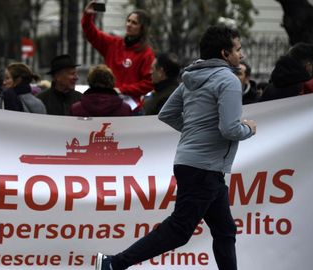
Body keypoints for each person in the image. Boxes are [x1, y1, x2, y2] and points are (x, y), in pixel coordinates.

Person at [95, 25, 257, 270]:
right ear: (225, 54)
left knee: (225, 230)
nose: (242, 55)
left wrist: (195, 133)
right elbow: (230, 129)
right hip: (205, 167)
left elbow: (167, 114)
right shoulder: (229, 81)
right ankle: (114, 264)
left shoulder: (189, 80)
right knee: (180, 230)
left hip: (194, 164)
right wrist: (250, 129)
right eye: (238, 49)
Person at [82, 1, 155, 113]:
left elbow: (149, 83)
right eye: (128, 21)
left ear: (142, 28)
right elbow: (92, 34)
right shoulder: (113, 44)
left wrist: (121, 90)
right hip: (108, 103)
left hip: (132, 108)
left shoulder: (146, 53)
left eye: (134, 23)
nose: (129, 24)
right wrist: (87, 15)